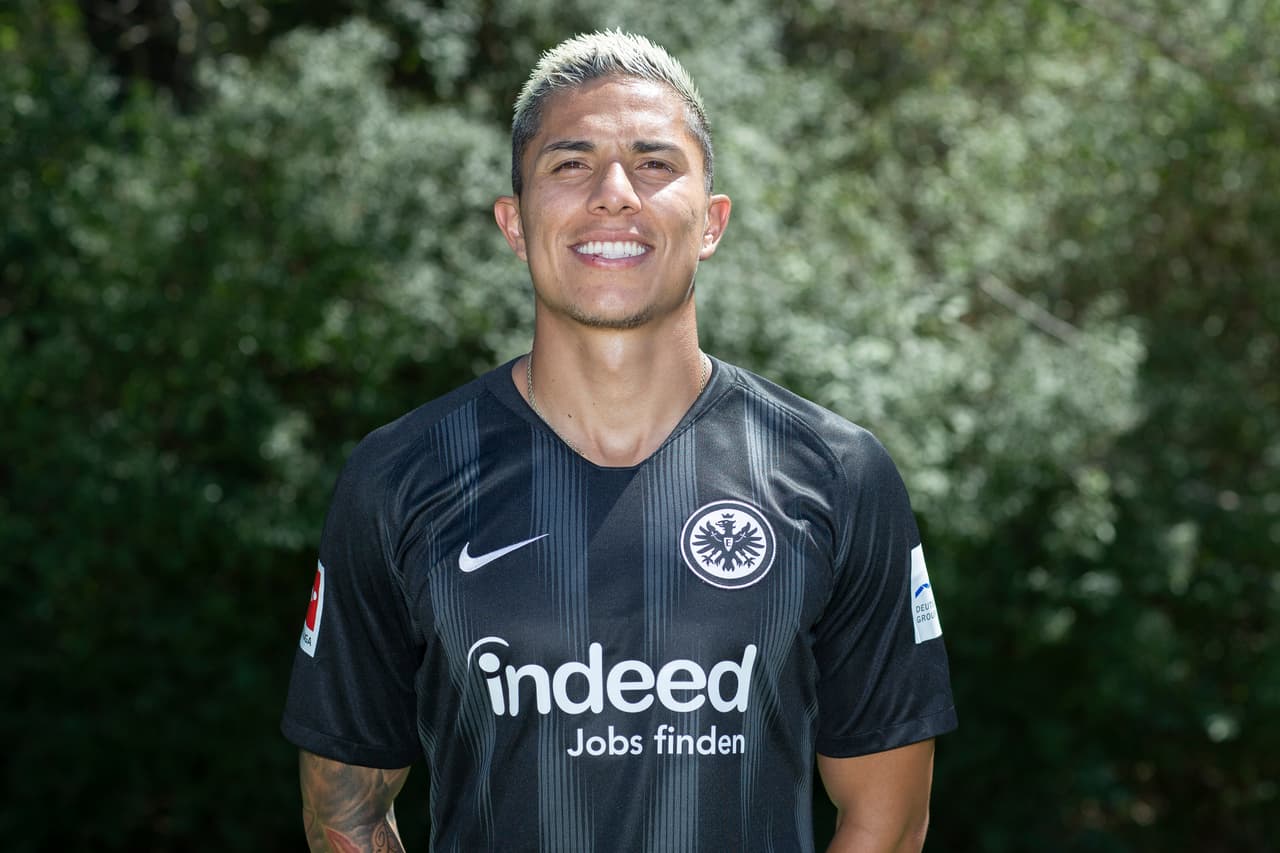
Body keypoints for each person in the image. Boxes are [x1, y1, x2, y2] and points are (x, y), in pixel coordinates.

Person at [282, 30, 956, 853]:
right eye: (569, 164)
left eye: (654, 163)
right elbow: (343, 812)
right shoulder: (400, 476)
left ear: (711, 222)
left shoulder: (838, 474)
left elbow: (889, 820)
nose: (613, 194)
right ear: (514, 223)